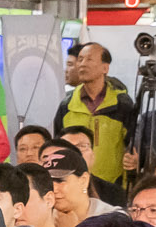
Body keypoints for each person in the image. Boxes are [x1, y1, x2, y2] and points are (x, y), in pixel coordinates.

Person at [60, 42, 140, 183]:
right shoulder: (67, 105)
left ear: (105, 68)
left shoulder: (122, 104)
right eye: (80, 59)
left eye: (89, 59)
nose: (83, 64)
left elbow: (133, 146)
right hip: (75, 184)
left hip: (113, 185)